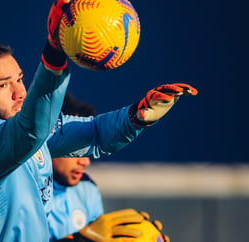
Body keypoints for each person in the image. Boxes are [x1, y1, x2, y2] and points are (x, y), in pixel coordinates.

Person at [0, 0, 198, 241]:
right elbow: (31, 131)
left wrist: (135, 118)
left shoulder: (22, 135)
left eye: (20, 79)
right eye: (3, 85)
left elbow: (95, 134)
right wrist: (54, 51)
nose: (20, 92)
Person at [48, 93, 169, 241]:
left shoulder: (87, 189)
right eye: (76, 152)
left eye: (87, 152)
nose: (85, 162)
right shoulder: (22, 185)